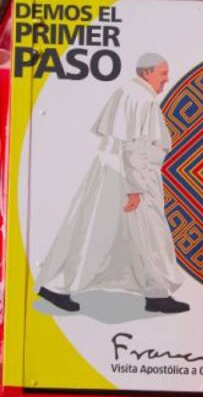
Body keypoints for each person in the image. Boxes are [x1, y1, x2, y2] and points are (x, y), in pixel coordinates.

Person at [36, 53, 190, 315]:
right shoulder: (142, 99)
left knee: (94, 232)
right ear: (146, 73)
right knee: (147, 236)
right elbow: (133, 148)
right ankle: (156, 294)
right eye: (163, 74)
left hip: (114, 174)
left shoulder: (127, 92)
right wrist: (135, 189)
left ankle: (155, 293)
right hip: (132, 178)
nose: (166, 80)